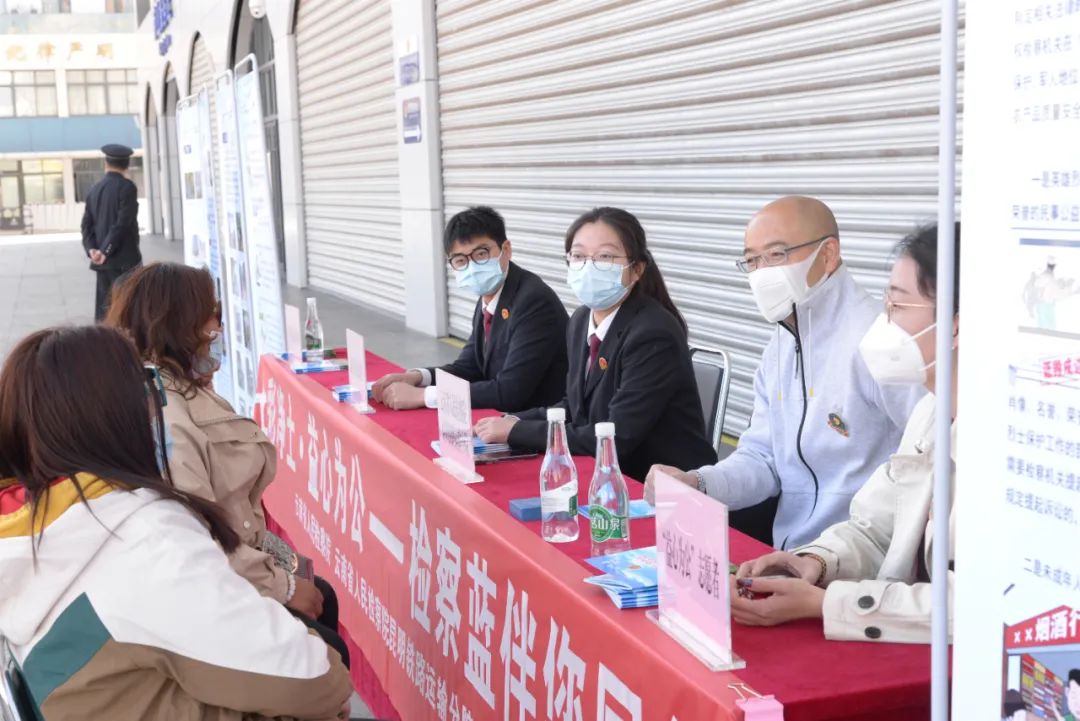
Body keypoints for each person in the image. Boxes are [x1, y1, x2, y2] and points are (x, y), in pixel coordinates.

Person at [0, 326, 351, 721]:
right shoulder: (142, 537)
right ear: (117, 414)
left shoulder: (30, 524)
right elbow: (313, 678)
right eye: (146, 386)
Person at [105, 262, 349, 667]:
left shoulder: (175, 386)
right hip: (212, 584)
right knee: (326, 646)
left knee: (322, 596)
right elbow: (198, 533)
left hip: (231, 561)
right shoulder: (166, 412)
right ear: (182, 324)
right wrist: (282, 588)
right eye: (211, 314)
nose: (218, 327)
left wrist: (281, 569)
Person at [645, 196, 924, 547]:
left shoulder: (881, 342)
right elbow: (763, 459)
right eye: (751, 260)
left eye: (776, 254)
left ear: (828, 254)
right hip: (791, 555)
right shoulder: (779, 346)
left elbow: (927, 463)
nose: (761, 272)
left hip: (863, 561)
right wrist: (699, 483)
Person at [730, 222, 959, 643]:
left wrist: (826, 604)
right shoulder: (931, 410)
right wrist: (816, 562)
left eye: (898, 306)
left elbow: (975, 605)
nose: (883, 322)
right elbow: (874, 526)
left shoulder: (1009, 449)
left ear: (957, 325)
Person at [474, 207, 717, 481]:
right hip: (603, 473)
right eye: (578, 256)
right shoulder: (581, 320)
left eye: (605, 257)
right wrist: (515, 420)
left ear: (636, 269)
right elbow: (575, 406)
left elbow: (615, 436)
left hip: (657, 483)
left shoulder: (653, 334)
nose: (589, 267)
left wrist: (516, 432)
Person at [372, 206, 568, 412]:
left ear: (506, 250)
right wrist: (418, 377)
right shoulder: (490, 296)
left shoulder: (533, 302)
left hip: (541, 423)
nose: (472, 267)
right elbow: (469, 367)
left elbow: (510, 392)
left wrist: (424, 396)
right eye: (460, 260)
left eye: (481, 254)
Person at [81, 144, 142, 322]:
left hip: (102, 262)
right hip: (124, 261)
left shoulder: (95, 189)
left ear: (106, 164)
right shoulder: (128, 187)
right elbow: (122, 223)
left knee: (104, 310)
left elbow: (86, 225)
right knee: (127, 310)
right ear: (127, 165)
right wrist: (105, 251)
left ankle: (103, 338)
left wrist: (93, 250)